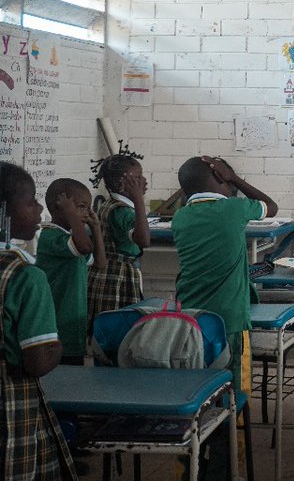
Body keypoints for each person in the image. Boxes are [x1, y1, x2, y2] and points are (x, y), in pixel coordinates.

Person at [172, 156, 278, 481]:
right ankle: (226, 470)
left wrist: (224, 179)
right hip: (232, 327)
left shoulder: (180, 218)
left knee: (194, 397)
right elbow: (269, 206)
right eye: (227, 179)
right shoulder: (233, 210)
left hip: (191, 327)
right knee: (235, 399)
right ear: (221, 181)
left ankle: (189, 468)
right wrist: (237, 179)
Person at [0, 162, 77, 480]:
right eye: (31, 201)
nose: (40, 209)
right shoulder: (25, 277)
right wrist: (57, 346)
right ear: (4, 212)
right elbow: (38, 361)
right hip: (10, 404)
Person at [36, 178, 106, 366]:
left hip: (74, 322)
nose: (86, 213)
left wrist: (96, 228)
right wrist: (71, 214)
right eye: (81, 207)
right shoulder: (51, 236)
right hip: (57, 322)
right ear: (59, 208)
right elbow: (83, 247)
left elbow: (100, 263)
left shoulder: (71, 237)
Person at [87, 142, 150, 324]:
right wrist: (139, 199)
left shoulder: (110, 204)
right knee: (120, 325)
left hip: (107, 273)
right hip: (117, 277)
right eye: (137, 178)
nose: (143, 181)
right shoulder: (121, 211)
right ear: (120, 184)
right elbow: (143, 240)